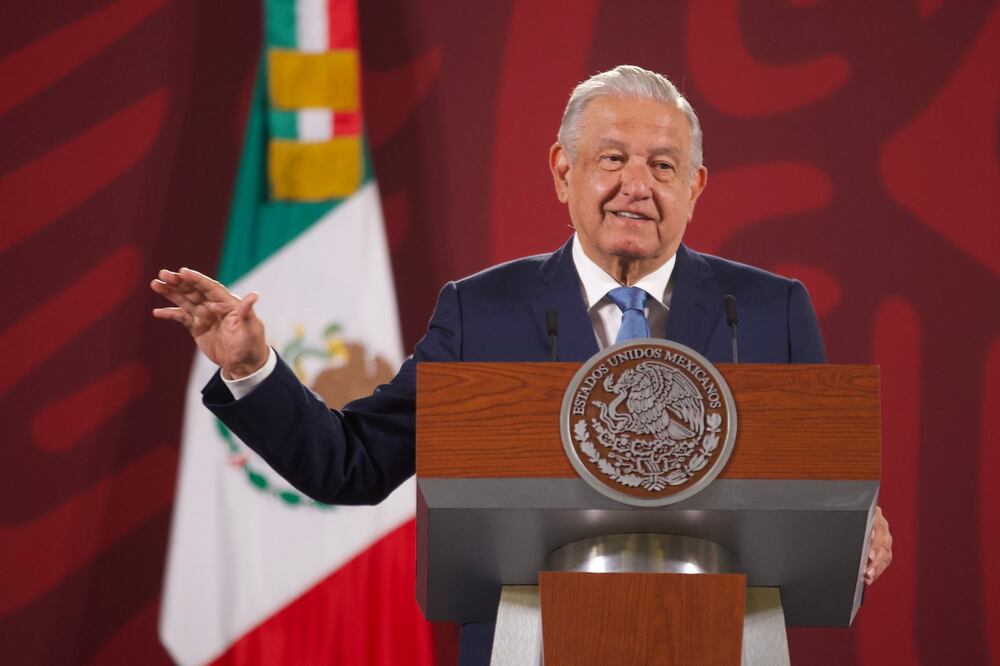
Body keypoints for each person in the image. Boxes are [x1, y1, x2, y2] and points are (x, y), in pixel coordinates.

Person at [152, 65, 892, 661]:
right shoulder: (483, 311)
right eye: (613, 159)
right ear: (562, 170)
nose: (638, 184)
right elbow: (352, 464)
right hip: (526, 641)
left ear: (694, 188)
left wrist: (855, 520)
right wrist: (252, 367)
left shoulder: (766, 310)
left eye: (664, 166)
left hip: (726, 642)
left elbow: (814, 480)